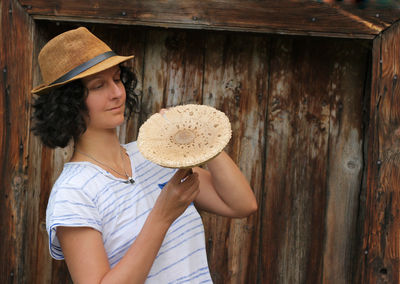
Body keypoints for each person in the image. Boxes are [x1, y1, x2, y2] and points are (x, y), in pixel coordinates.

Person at [31, 27, 257, 284]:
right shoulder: (73, 193)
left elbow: (242, 205)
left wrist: (197, 134)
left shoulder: (154, 156)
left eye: (117, 79)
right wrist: (162, 216)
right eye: (98, 86)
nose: (117, 93)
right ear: (69, 103)